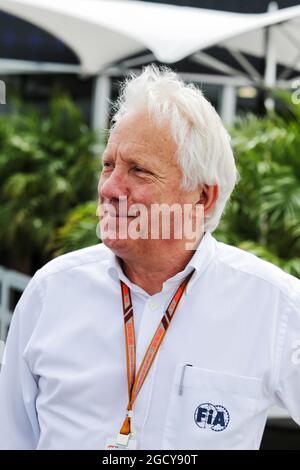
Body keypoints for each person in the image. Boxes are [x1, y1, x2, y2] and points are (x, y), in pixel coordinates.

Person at [0, 66, 299, 450]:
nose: (108, 188)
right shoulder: (50, 292)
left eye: (138, 170)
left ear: (202, 197)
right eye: (108, 165)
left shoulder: (275, 306)